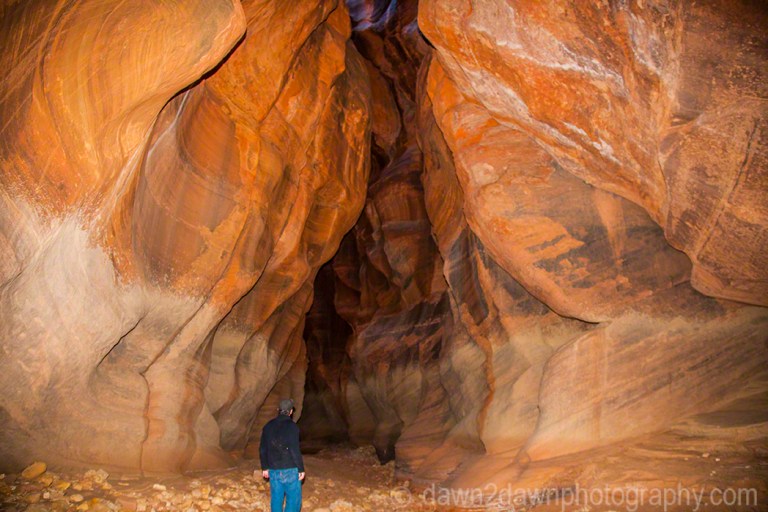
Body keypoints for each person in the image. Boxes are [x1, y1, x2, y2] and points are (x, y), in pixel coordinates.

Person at [259, 398, 305, 512]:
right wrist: (301, 469)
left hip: (273, 469)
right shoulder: (292, 427)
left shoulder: (268, 426)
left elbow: (263, 449)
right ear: (291, 412)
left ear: (278, 410)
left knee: (276, 499)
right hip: (290, 469)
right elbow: (294, 449)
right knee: (293, 501)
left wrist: (265, 467)